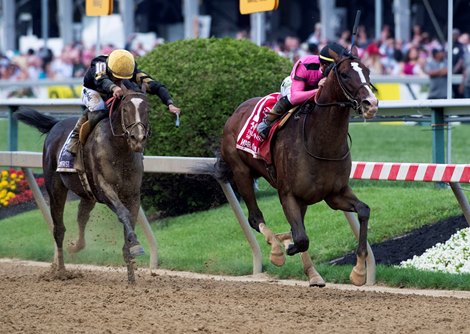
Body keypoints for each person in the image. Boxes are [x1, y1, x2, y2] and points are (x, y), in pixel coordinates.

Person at [58, 49, 181, 172]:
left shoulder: (131, 70)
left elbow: (156, 86)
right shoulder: (100, 64)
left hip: (116, 91)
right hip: (93, 91)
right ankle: (71, 145)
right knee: (99, 108)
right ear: (111, 69)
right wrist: (113, 87)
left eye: (122, 78)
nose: (119, 80)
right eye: (117, 78)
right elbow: (101, 79)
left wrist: (169, 103)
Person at [257, 42, 345, 140]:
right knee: (290, 98)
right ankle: (266, 123)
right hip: (294, 87)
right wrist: (319, 90)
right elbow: (295, 97)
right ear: (323, 65)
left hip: (316, 88)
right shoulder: (306, 64)